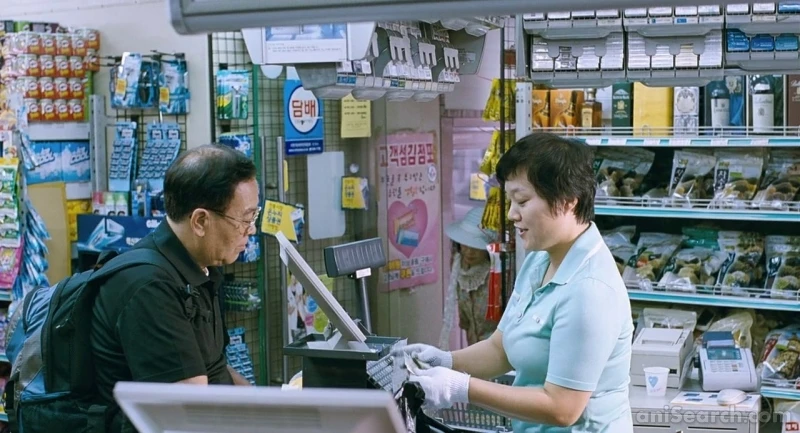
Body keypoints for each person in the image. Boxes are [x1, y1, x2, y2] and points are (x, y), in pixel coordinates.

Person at [398, 132, 634, 432]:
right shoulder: (540, 260)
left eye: (522, 201)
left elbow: (562, 408)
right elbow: (502, 348)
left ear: (567, 202)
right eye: (510, 200)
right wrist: (445, 361)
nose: (511, 214)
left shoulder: (590, 291)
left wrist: (460, 387)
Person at [90, 144, 260, 433]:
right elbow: (188, 413)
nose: (251, 230)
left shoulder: (199, 267)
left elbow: (215, 369)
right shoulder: (149, 287)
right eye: (245, 219)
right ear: (201, 221)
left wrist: (272, 409)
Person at [439, 205, 497, 348]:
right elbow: (466, 320)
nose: (469, 252)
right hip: (472, 346)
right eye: (465, 244)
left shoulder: (498, 274)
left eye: (476, 247)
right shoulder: (459, 267)